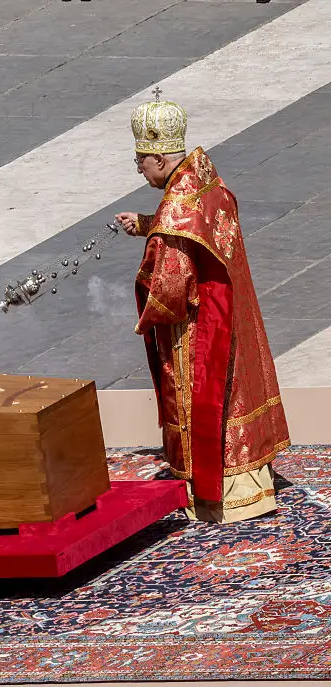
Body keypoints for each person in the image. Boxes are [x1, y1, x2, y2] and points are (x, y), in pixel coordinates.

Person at [114, 91, 290, 523]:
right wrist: (148, 226)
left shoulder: (177, 205)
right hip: (229, 312)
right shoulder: (203, 179)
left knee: (204, 402)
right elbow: (191, 228)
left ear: (158, 157)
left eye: (140, 159)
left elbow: (171, 286)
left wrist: (145, 304)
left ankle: (214, 496)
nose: (139, 168)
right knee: (236, 390)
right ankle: (252, 483)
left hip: (198, 329)